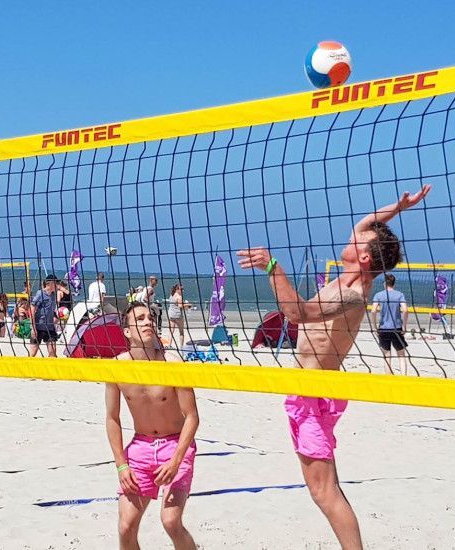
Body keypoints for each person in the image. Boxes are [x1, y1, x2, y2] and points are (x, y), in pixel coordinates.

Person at [235, 184, 429, 550]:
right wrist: (399, 208)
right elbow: (367, 221)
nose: (355, 233)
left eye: (362, 238)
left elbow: (298, 314)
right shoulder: (348, 277)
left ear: (367, 258)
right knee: (326, 489)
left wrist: (273, 267)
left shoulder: (353, 296)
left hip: (317, 395)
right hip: (307, 391)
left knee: (324, 492)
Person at [106, 302, 198, 550]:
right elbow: (112, 418)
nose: (148, 322)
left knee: (170, 522)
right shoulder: (116, 367)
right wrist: (121, 465)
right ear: (126, 331)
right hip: (139, 448)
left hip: (175, 445)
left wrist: (176, 460)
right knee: (126, 527)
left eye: (150, 318)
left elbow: (192, 417)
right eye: (140, 318)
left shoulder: (172, 363)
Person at [370, 274, 409, 375]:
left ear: (384, 283)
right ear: (394, 284)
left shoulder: (378, 295)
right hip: (397, 328)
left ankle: (389, 378)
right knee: (401, 356)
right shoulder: (399, 294)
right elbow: (405, 310)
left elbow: (373, 311)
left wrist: (374, 327)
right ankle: (404, 378)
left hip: (383, 329)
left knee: (387, 356)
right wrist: (404, 326)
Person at [29, 276, 62, 357]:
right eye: (56, 283)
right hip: (38, 327)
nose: (57, 285)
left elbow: (52, 310)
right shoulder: (40, 294)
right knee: (32, 354)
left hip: (50, 328)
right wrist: (33, 328)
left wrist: (57, 317)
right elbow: (31, 309)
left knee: (53, 353)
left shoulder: (54, 295)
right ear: (50, 283)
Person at [165, 283, 192, 347]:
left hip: (171, 314)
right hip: (177, 315)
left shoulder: (172, 295)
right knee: (181, 332)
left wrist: (185, 305)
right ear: (177, 289)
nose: (183, 290)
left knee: (171, 331)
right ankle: (181, 347)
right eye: (181, 289)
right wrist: (188, 305)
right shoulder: (179, 296)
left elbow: (176, 305)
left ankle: (169, 345)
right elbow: (180, 306)